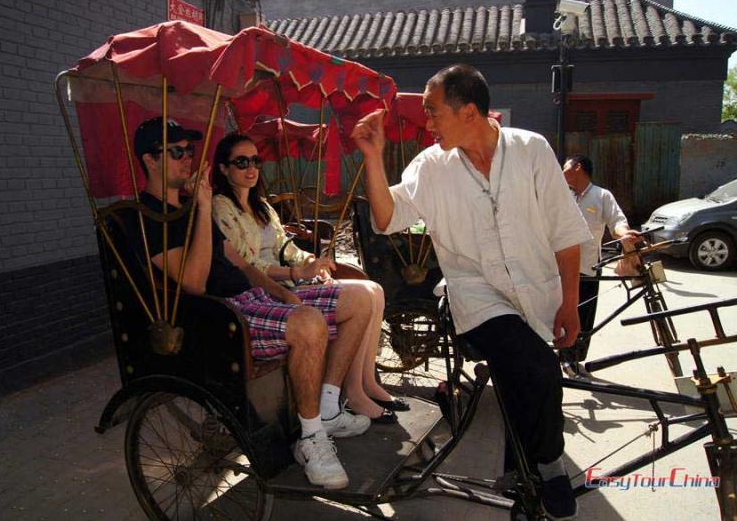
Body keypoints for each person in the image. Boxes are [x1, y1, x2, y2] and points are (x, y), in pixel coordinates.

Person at [350, 64, 592, 519]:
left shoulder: (531, 150)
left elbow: (565, 231)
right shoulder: (431, 166)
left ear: (469, 112)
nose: (428, 121)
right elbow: (386, 218)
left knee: (523, 377)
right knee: (536, 366)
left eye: (433, 111)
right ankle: (550, 464)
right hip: (475, 299)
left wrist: (569, 302)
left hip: (535, 295)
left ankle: (519, 473)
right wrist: (373, 157)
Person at [132, 116, 371, 490]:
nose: (187, 159)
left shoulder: (188, 206)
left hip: (252, 295)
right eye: (176, 152)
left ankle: (327, 407)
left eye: (189, 152)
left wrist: (284, 292)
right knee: (308, 324)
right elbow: (194, 282)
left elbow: (241, 262)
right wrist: (202, 208)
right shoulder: (148, 217)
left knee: (357, 297)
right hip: (219, 313)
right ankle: (310, 440)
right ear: (149, 160)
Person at [210, 132, 406, 422]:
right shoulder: (221, 207)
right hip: (266, 290)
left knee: (374, 289)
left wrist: (311, 261)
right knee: (361, 298)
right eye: (241, 162)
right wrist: (295, 272)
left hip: (291, 280)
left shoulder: (261, 205)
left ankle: (364, 382)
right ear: (224, 168)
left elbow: (284, 247)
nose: (251, 168)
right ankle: (343, 393)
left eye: (255, 161)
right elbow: (246, 265)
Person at [560, 155, 642, 372]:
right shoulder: (560, 194)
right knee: (557, 312)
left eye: (565, 167)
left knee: (583, 318)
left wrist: (623, 235)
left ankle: (572, 360)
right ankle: (558, 357)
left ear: (578, 167)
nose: (562, 171)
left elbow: (617, 222)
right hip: (557, 268)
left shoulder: (601, 196)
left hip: (587, 267)